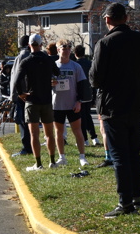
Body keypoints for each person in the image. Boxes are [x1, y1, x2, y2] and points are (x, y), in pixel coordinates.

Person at [89, 3, 140, 218]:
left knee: (119, 155)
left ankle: (125, 202)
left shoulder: (105, 43)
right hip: (137, 103)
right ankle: (136, 198)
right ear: (126, 17)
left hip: (113, 105)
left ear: (107, 19)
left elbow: (95, 78)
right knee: (133, 153)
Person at [11, 33, 61, 171]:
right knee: (49, 134)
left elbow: (17, 81)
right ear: (41, 45)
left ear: (29, 45)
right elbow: (57, 73)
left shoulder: (26, 61)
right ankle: (52, 161)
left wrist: (21, 93)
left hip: (32, 100)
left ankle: (38, 164)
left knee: (34, 134)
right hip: (47, 100)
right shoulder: (48, 59)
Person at [52, 40, 90, 168]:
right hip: (57, 104)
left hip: (72, 104)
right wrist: (50, 83)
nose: (67, 51)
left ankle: (82, 157)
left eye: (69, 48)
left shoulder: (76, 66)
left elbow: (82, 85)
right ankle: (61, 157)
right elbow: (45, 83)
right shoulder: (53, 66)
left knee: (77, 131)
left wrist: (79, 102)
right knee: (58, 132)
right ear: (58, 50)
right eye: (64, 48)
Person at [9, 34, 33, 157]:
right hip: (33, 93)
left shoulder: (21, 57)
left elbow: (16, 78)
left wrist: (14, 95)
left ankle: (26, 147)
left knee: (23, 122)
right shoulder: (35, 56)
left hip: (22, 94)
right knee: (31, 122)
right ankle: (31, 146)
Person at [73, 45, 100, 146]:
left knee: (81, 118)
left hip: (78, 94)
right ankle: (94, 137)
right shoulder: (90, 63)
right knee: (88, 116)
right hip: (89, 93)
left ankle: (84, 139)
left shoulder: (75, 65)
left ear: (75, 54)